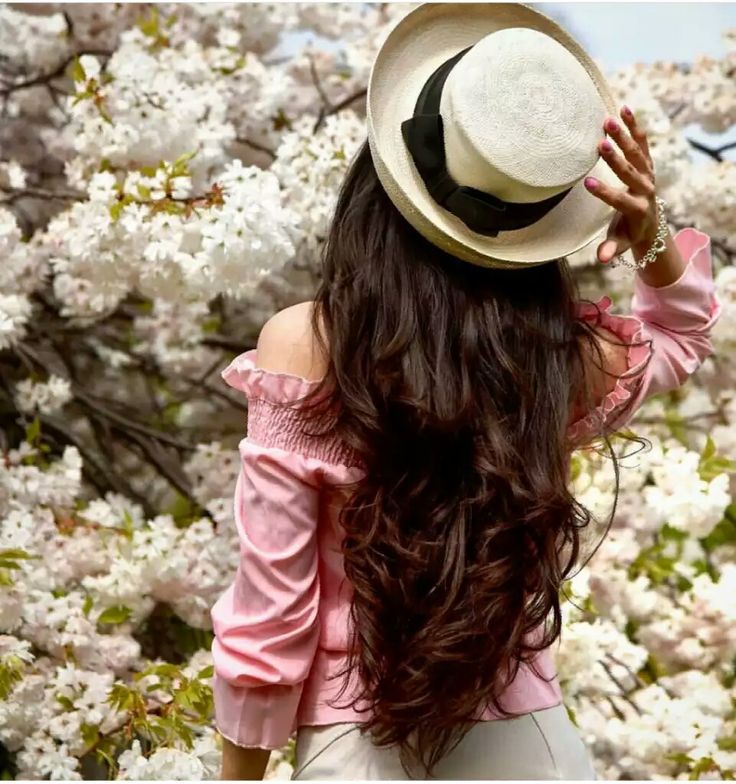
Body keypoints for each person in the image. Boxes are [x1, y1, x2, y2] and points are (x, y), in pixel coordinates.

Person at [210, 3, 721, 780]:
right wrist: (650, 231)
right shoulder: (557, 362)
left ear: (383, 176)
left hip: (357, 750)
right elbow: (683, 336)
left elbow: (272, 616)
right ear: (540, 224)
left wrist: (239, 774)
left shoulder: (307, 346)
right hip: (537, 750)